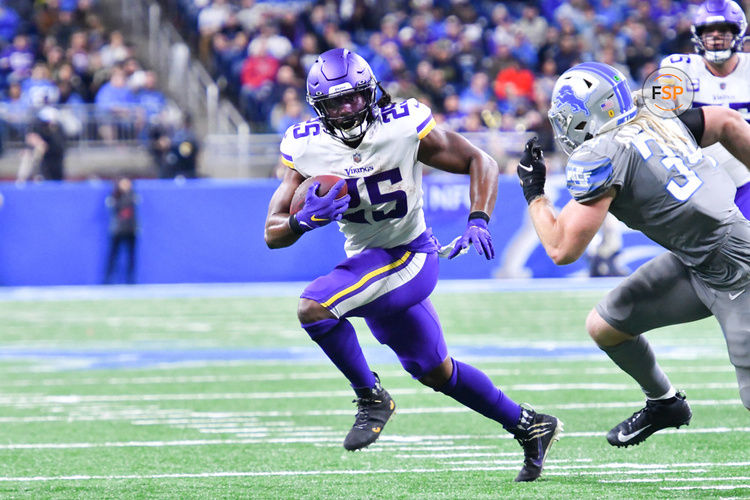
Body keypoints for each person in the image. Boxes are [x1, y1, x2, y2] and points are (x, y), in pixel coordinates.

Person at [264, 48, 562, 482]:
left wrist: (478, 217)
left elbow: (482, 161)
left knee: (314, 307)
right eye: (335, 102)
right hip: (369, 263)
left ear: (371, 93)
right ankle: (530, 424)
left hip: (409, 254)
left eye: (353, 98)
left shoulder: (402, 126)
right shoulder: (305, 145)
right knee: (434, 370)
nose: (346, 110)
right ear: (319, 107)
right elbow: (272, 233)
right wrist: (299, 221)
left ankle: (371, 397)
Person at [516, 62, 750, 450]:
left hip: (736, 267)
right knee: (607, 325)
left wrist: (534, 192)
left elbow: (561, 249)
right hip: (694, 259)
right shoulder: (656, 117)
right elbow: (726, 121)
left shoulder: (602, 154)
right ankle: (665, 403)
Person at [660, 0, 750, 218]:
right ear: (698, 35)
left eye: (724, 30)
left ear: (738, 32)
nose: (716, 36)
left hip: (744, 169)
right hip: (698, 173)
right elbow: (657, 113)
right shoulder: (678, 66)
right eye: (709, 31)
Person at [104, 177, 138, 284]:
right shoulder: (115, 197)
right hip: (118, 230)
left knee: (131, 256)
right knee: (113, 256)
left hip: (130, 230)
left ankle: (130, 280)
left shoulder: (133, 196)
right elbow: (114, 208)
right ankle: (108, 279)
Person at [18, 106, 66, 181]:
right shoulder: (37, 127)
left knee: (39, 150)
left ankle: (38, 175)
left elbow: (58, 146)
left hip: (53, 156)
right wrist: (37, 143)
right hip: (36, 154)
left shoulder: (58, 131)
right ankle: (23, 180)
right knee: (28, 154)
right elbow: (30, 138)